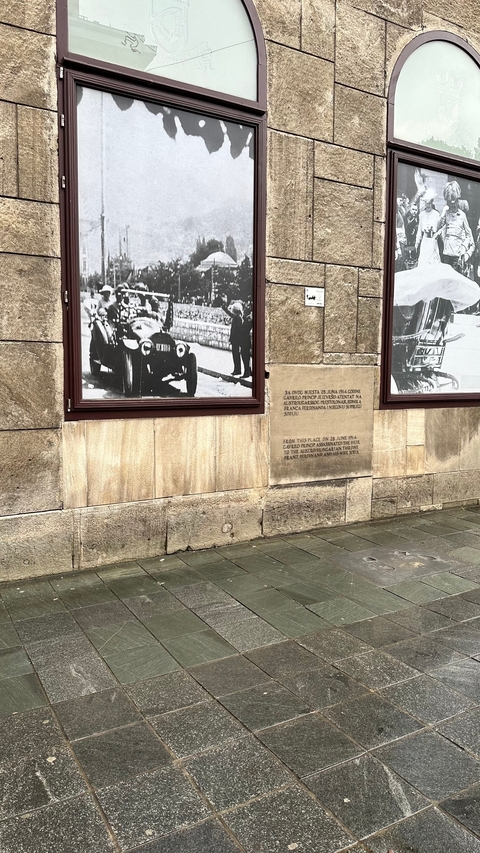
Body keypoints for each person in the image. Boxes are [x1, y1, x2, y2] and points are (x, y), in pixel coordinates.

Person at [436, 181, 474, 274]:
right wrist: (443, 214)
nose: (452, 205)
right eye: (450, 202)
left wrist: (464, 250)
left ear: (457, 200)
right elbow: (438, 228)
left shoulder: (462, 215)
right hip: (446, 254)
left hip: (457, 254)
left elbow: (469, 236)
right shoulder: (446, 213)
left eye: (454, 202)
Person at [415, 188, 441, 266]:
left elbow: (440, 229)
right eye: (426, 203)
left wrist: (437, 234)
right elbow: (419, 230)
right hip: (425, 241)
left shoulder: (436, 214)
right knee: (424, 262)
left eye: (429, 203)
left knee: (433, 263)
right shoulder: (421, 215)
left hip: (433, 241)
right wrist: (417, 243)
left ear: (432, 202)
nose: (428, 205)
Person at [222, 300, 243, 375]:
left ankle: (237, 370)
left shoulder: (237, 317)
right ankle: (237, 369)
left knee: (236, 355)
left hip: (236, 340)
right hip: (236, 339)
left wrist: (224, 308)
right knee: (236, 355)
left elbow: (236, 330)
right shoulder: (238, 317)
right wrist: (224, 308)